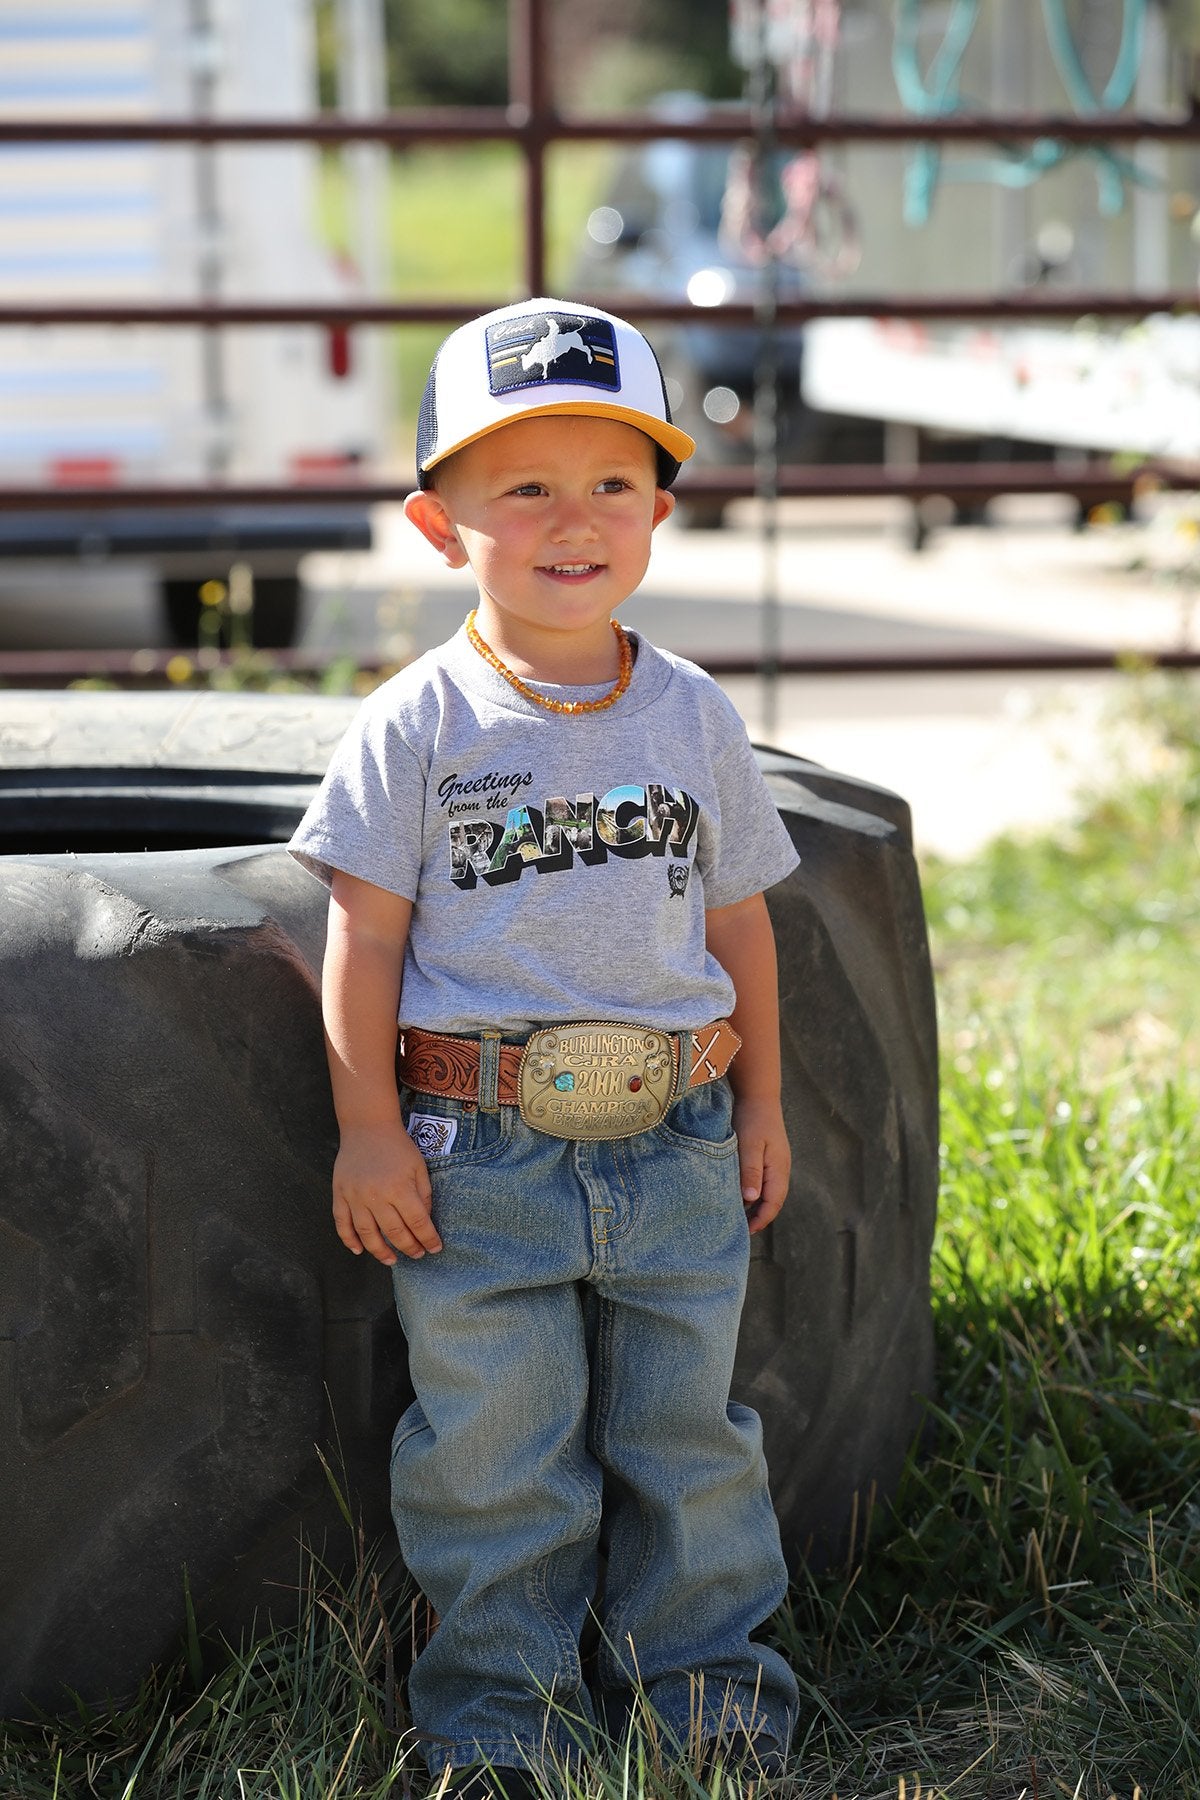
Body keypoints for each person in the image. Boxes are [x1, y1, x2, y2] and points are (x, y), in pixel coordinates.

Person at [289, 298, 801, 1798]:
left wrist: (764, 1096)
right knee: (495, 1448)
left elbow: (743, 928)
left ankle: (703, 1693)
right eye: (524, 487)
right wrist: (368, 1128)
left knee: (687, 1433)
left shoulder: (695, 716)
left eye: (613, 483)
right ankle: (499, 1722)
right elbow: (364, 943)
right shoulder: (415, 725)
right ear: (439, 521)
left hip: (680, 1140)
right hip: (477, 1153)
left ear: (659, 504)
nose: (574, 520)